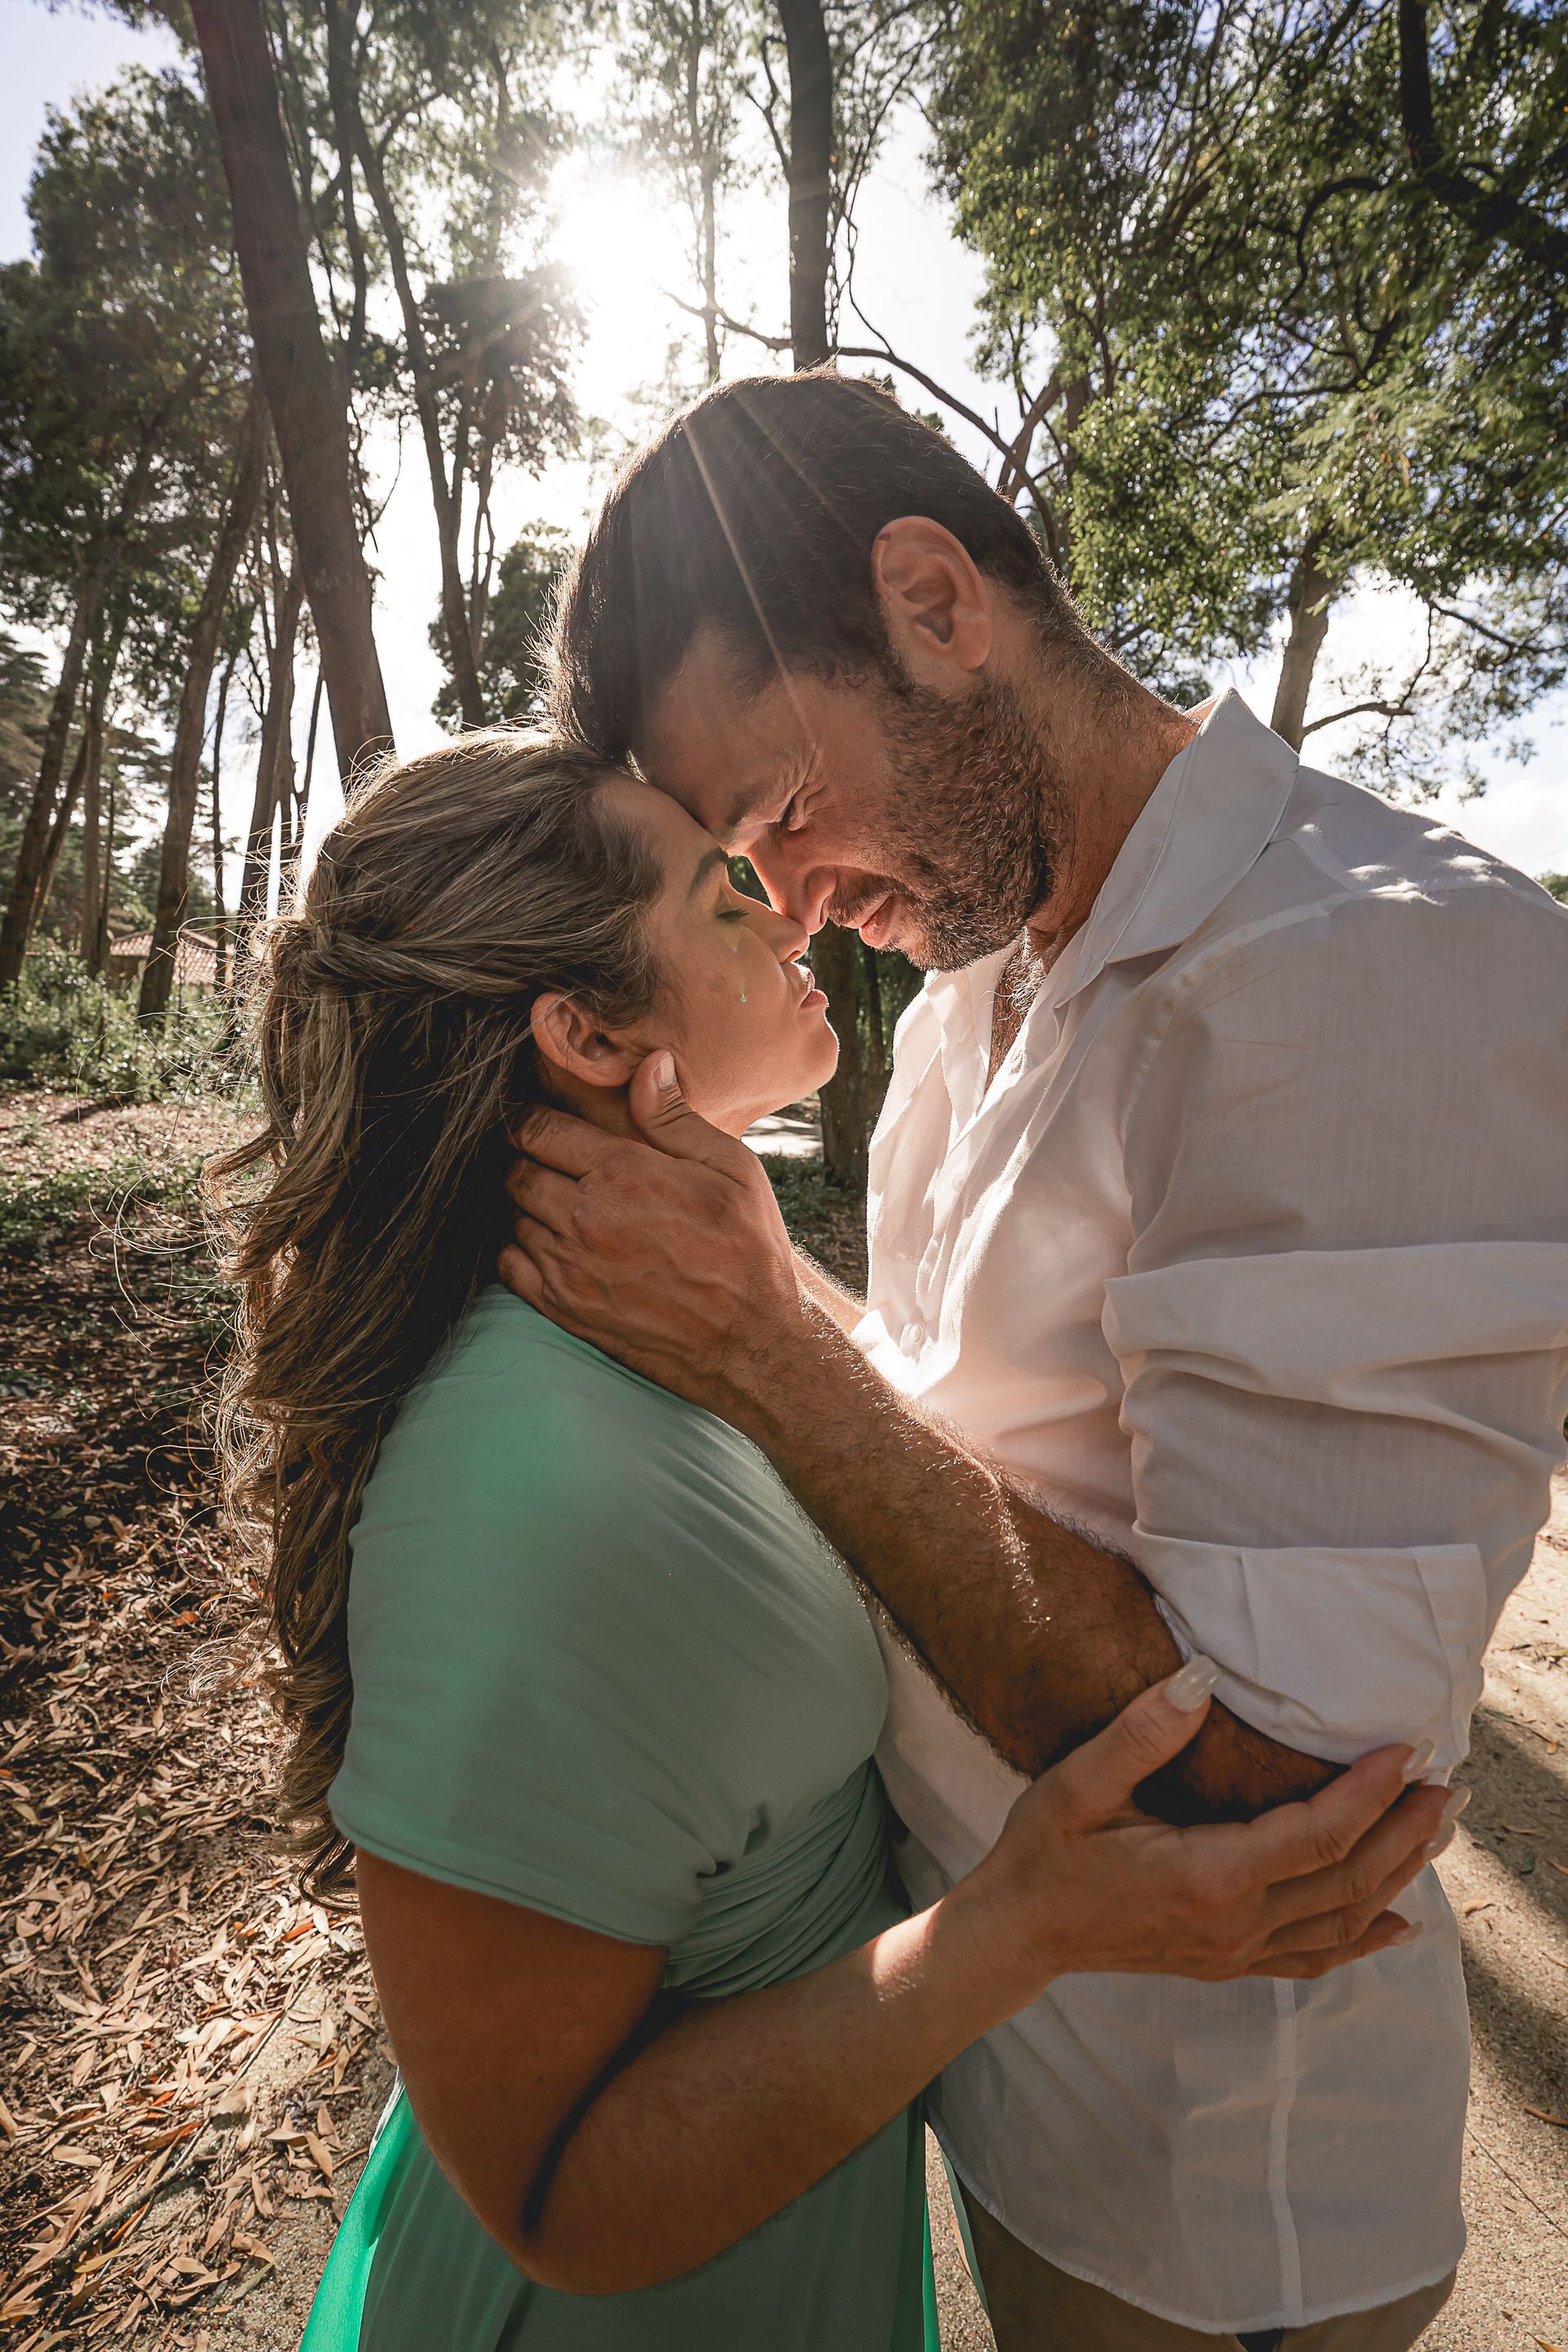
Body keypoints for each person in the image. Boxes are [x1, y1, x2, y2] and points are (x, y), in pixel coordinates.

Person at [501, 372, 1568, 2351]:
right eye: (742, 865)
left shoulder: (1367, 967)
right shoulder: (964, 998)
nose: (792, 900)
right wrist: (742, 1282)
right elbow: (953, 1420)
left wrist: (759, 1345)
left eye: (781, 814)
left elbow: (1277, 1797)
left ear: (932, 599)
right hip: (1007, 2086)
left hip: (1210, 2207)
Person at [209, 733, 1446, 2352]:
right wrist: (1021, 1931)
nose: (788, 905)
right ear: (586, 1032)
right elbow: (554, 2194)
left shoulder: (657, 1328)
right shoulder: (530, 1484)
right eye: (728, 891)